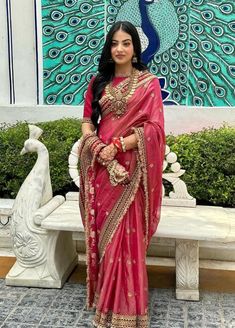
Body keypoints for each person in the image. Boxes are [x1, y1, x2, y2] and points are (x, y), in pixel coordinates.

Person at [78, 21, 165, 328]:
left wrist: (118, 145)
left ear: (135, 48)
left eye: (126, 43)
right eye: (114, 43)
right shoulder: (98, 81)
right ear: (108, 47)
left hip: (131, 172)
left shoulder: (149, 83)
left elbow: (154, 129)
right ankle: (108, 301)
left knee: (125, 239)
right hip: (103, 170)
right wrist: (96, 145)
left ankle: (127, 310)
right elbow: (87, 121)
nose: (119, 49)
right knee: (107, 235)